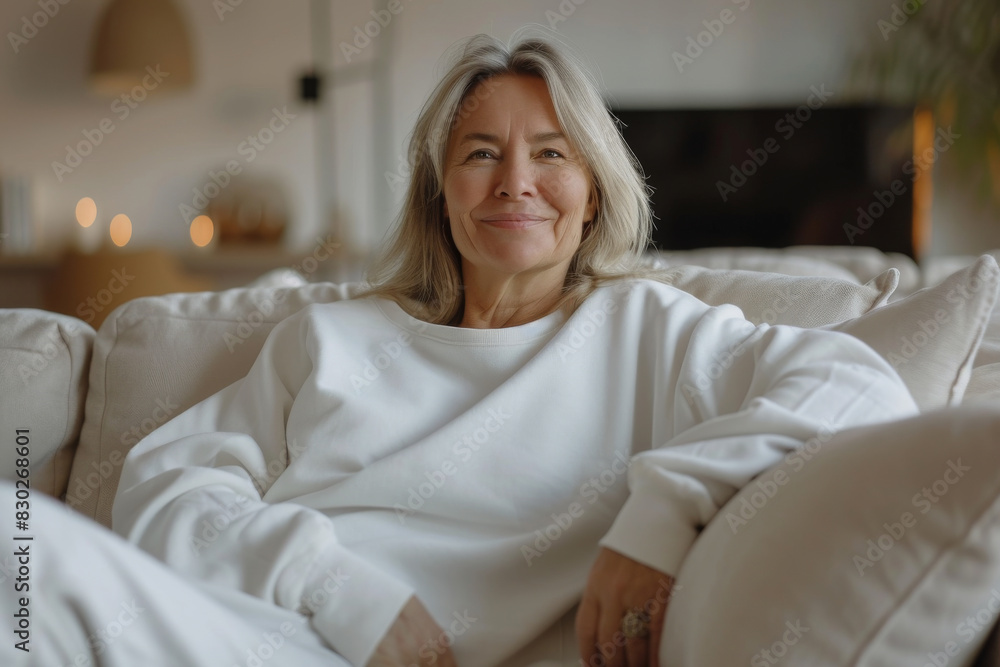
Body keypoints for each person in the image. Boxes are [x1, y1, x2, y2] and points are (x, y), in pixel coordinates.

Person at [6, 33, 918, 667]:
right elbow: (170, 485)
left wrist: (666, 511)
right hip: (240, 636)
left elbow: (856, 384)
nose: (515, 182)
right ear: (442, 193)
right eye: (481, 153)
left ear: (593, 192)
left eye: (551, 154)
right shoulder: (327, 337)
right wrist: (340, 590)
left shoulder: (653, 331)